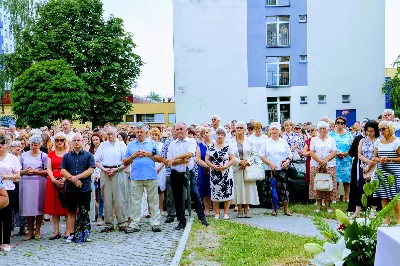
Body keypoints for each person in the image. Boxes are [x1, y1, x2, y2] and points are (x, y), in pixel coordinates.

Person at [167, 122, 209, 230]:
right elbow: (170, 162)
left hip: (188, 173)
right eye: (177, 129)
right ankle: (181, 221)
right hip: (176, 174)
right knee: (178, 198)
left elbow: (190, 154)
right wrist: (181, 160)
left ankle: (202, 217)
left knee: (195, 194)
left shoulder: (191, 141)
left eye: (181, 129)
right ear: (175, 131)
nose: (179, 131)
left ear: (186, 130)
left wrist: (175, 158)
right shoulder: (172, 144)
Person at [123, 123, 164, 233]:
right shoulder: (131, 146)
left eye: (141, 132)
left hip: (150, 175)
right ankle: (134, 223)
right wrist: (133, 156)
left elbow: (159, 159)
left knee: (153, 201)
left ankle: (155, 223)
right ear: (135, 133)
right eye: (137, 132)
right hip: (136, 176)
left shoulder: (152, 143)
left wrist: (148, 154)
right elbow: (125, 162)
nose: (139, 134)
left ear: (146, 132)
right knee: (135, 202)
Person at [61, 133, 95, 243]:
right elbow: (63, 170)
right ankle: (71, 233)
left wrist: (77, 177)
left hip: (84, 187)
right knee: (71, 211)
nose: (76, 142)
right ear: (71, 142)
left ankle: (85, 232)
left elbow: (91, 170)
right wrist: (73, 179)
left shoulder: (88, 155)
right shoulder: (67, 156)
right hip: (71, 188)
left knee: (84, 211)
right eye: (74, 140)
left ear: (83, 142)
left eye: (78, 140)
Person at [95, 127, 128, 232]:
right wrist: (104, 169)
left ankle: (121, 222)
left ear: (116, 134)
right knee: (107, 199)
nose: (110, 136)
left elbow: (126, 162)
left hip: (118, 171)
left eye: (112, 134)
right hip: (105, 172)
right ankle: (109, 223)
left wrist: (116, 169)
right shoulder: (102, 145)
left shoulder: (122, 145)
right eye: (108, 134)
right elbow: (95, 160)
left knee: (119, 199)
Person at [260, 122, 293, 216]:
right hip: (271, 169)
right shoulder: (266, 142)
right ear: (270, 131)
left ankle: (286, 209)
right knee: (272, 189)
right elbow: (262, 155)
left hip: (282, 169)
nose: (274, 131)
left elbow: (290, 154)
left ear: (279, 131)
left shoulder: (283, 142)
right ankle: (275, 209)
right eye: (272, 129)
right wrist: (270, 163)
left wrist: (287, 162)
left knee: (284, 188)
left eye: (276, 129)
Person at [20, 135, 48, 240]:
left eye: (35, 145)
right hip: (26, 183)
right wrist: (25, 171)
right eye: (31, 144)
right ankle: (30, 230)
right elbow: (18, 170)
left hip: (39, 183)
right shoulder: (24, 155)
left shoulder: (44, 156)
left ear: (40, 145)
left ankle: (38, 230)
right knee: (28, 207)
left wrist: (35, 171)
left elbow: (47, 171)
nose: (33, 147)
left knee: (39, 206)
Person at [372, 121, 400, 225]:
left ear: (390, 129)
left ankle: (399, 220)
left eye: (383, 129)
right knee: (383, 197)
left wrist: (389, 159)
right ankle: (387, 219)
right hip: (381, 173)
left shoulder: (397, 142)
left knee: (396, 197)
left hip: (394, 174)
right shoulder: (378, 142)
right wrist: (380, 160)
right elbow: (374, 157)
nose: (381, 131)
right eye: (380, 129)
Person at [230, 121, 260, 218]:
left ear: (244, 130)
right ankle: (239, 209)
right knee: (238, 188)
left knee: (247, 189)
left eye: (240, 128)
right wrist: (239, 162)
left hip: (248, 168)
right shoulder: (231, 141)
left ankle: (246, 209)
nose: (238, 130)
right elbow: (229, 155)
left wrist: (247, 162)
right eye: (237, 128)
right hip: (236, 168)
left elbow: (255, 154)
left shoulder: (249, 140)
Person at [205, 128, 235, 220]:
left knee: (227, 191)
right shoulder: (211, 147)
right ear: (216, 135)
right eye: (218, 134)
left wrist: (225, 166)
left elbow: (232, 159)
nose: (220, 136)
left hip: (226, 172)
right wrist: (212, 166)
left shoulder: (228, 146)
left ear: (224, 136)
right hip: (214, 173)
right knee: (215, 192)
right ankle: (217, 213)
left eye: (222, 134)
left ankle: (226, 213)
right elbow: (206, 159)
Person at [352, 120, 380, 217]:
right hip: (363, 167)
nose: (369, 133)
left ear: (375, 131)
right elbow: (359, 154)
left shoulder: (379, 141)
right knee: (360, 188)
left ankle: (373, 210)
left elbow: (377, 155)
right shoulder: (362, 140)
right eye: (367, 131)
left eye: (371, 131)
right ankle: (357, 211)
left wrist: (369, 165)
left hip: (375, 167)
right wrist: (366, 163)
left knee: (373, 189)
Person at [44, 133, 69, 240]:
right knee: (54, 206)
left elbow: (71, 167)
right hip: (53, 180)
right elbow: (48, 168)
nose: (59, 142)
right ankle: (56, 231)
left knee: (67, 206)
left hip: (66, 180)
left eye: (61, 140)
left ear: (65, 141)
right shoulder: (51, 153)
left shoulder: (68, 153)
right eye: (57, 140)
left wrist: (65, 178)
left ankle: (68, 231)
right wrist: (54, 180)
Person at [309, 121, 338, 212]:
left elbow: (334, 151)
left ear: (327, 129)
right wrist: (320, 161)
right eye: (320, 128)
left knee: (328, 184)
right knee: (317, 184)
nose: (322, 130)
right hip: (316, 165)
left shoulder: (331, 139)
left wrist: (325, 160)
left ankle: (328, 206)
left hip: (329, 165)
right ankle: (318, 206)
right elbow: (311, 152)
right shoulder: (313, 139)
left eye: (324, 128)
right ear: (317, 129)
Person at [0, 136, 21, 252]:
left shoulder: (12, 158)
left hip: (9, 188)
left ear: (6, 144)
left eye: (2, 143)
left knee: (7, 217)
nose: (0, 145)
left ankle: (6, 242)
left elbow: (17, 175)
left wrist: (5, 176)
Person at [329, 116, 353, 202]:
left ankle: (347, 197)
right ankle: (334, 197)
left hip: (346, 159)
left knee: (347, 179)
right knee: (335, 179)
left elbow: (352, 147)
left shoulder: (349, 134)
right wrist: (337, 153)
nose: (339, 124)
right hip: (335, 159)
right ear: (335, 124)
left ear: (344, 125)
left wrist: (345, 153)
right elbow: (329, 147)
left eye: (341, 123)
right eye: (338, 122)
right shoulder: (331, 134)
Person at [195, 127, 213, 217]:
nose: (206, 134)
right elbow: (197, 158)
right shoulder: (200, 145)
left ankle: (216, 209)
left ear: (210, 133)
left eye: (207, 132)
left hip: (215, 169)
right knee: (205, 189)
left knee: (214, 188)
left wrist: (213, 166)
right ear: (202, 135)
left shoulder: (215, 144)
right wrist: (207, 166)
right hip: (203, 169)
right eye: (204, 133)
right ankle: (207, 209)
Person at [150, 127, 166, 215]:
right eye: (153, 135)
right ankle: (151, 210)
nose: (154, 136)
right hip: (150, 169)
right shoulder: (148, 145)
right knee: (150, 190)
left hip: (160, 169)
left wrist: (159, 168)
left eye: (156, 135)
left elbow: (164, 158)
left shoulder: (162, 145)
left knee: (161, 190)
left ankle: (161, 209)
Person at [89, 133, 104, 225]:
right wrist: (93, 175)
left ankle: (100, 215)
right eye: (93, 140)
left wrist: (99, 174)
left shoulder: (103, 149)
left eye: (97, 140)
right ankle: (94, 213)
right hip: (92, 175)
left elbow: (103, 163)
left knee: (101, 196)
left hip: (102, 173)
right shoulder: (90, 151)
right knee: (92, 196)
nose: (95, 142)